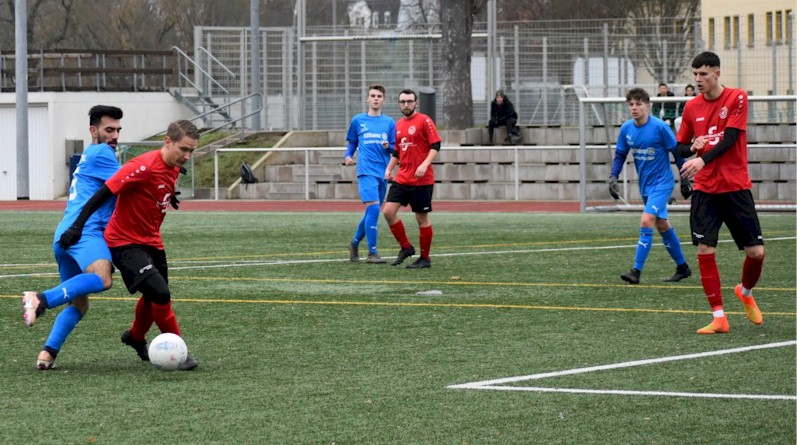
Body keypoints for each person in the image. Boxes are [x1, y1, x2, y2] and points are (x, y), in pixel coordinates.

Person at [58, 119, 201, 369]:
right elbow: (102, 194)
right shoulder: (142, 166)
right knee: (160, 293)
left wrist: (170, 197)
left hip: (152, 241)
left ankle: (135, 338)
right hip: (123, 241)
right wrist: (76, 226)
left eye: (192, 151)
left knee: (152, 297)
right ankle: (181, 351)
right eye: (184, 149)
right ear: (168, 142)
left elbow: (160, 186)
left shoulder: (175, 166)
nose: (187, 156)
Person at [21, 105, 123, 370]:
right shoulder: (103, 153)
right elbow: (128, 185)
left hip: (64, 235)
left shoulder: (90, 154)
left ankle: (47, 353)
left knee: (79, 303)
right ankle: (40, 299)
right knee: (102, 277)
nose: (114, 135)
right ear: (93, 131)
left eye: (117, 130)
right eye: (108, 129)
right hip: (84, 232)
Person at [675, 51, 765, 335]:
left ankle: (746, 292)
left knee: (756, 252)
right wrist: (692, 148)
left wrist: (702, 157)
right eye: (695, 74)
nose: (698, 79)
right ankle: (719, 317)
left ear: (717, 73)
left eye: (703, 74)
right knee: (705, 249)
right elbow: (679, 148)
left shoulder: (737, 97)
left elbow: (730, 139)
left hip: (736, 187)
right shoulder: (691, 108)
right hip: (705, 190)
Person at [608, 88, 692, 285]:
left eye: (638, 104)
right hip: (645, 186)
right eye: (631, 104)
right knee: (662, 225)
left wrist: (685, 178)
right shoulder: (627, 129)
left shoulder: (660, 127)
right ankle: (683, 267)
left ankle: (635, 271)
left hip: (662, 184)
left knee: (646, 221)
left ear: (647, 106)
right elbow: (620, 155)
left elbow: (677, 153)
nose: (634, 108)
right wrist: (613, 176)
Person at [383, 89, 442, 269]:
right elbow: (398, 151)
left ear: (416, 103)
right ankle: (406, 248)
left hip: (421, 181)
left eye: (409, 101)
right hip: (402, 178)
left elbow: (436, 145)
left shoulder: (424, 121)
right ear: (399, 104)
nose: (406, 105)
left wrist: (424, 165)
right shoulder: (398, 125)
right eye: (403, 102)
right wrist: (389, 168)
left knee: (421, 218)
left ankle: (425, 258)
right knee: (387, 211)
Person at [344, 84, 396, 264]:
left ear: (383, 100)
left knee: (371, 212)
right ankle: (372, 252)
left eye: (379, 96)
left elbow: (395, 149)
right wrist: (348, 156)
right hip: (365, 171)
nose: (375, 98)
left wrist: (389, 147)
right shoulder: (358, 120)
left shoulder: (389, 123)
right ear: (367, 99)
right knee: (373, 208)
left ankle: (354, 243)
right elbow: (352, 142)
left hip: (383, 173)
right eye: (372, 95)